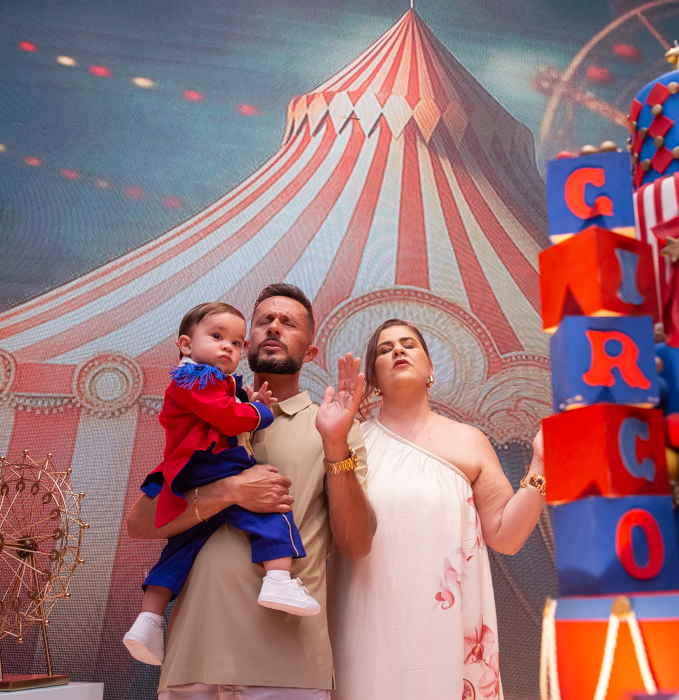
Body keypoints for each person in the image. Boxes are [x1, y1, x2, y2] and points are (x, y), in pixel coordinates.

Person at [126, 284, 375, 700]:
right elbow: (140, 523)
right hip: (190, 662)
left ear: (310, 352)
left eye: (288, 323)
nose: (274, 327)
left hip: (288, 668)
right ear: (246, 344)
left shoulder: (334, 425)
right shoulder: (201, 413)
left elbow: (355, 544)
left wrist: (335, 443)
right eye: (263, 322)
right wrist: (230, 489)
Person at [330, 318, 546, 700]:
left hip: (447, 631)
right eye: (385, 349)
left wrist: (540, 467)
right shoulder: (350, 443)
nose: (397, 350)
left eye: (409, 344)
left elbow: (506, 537)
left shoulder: (469, 441)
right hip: (369, 626)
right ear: (374, 380)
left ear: (430, 368)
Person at [124, 302, 319, 668]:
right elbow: (228, 419)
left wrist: (246, 400)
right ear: (185, 344)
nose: (228, 347)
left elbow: (225, 405)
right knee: (272, 506)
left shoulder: (205, 380)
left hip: (190, 468)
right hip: (212, 462)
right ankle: (278, 577)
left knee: (181, 545)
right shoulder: (196, 378)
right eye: (217, 337)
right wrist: (259, 412)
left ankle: (148, 620)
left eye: (235, 342)